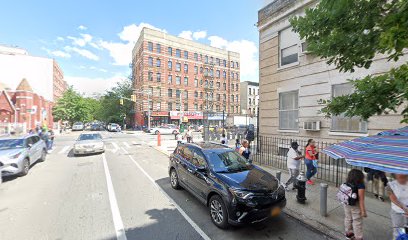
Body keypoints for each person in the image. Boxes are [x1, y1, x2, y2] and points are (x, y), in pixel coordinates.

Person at [343, 169, 367, 240]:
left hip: (346, 203)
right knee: (357, 221)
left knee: (348, 218)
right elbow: (361, 200)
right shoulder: (360, 185)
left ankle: (348, 234)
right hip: (355, 205)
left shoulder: (347, 182)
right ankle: (358, 238)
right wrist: (363, 211)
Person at [386, 174, 408, 239]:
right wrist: (405, 208)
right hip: (397, 212)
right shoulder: (390, 185)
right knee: (398, 232)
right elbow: (393, 199)